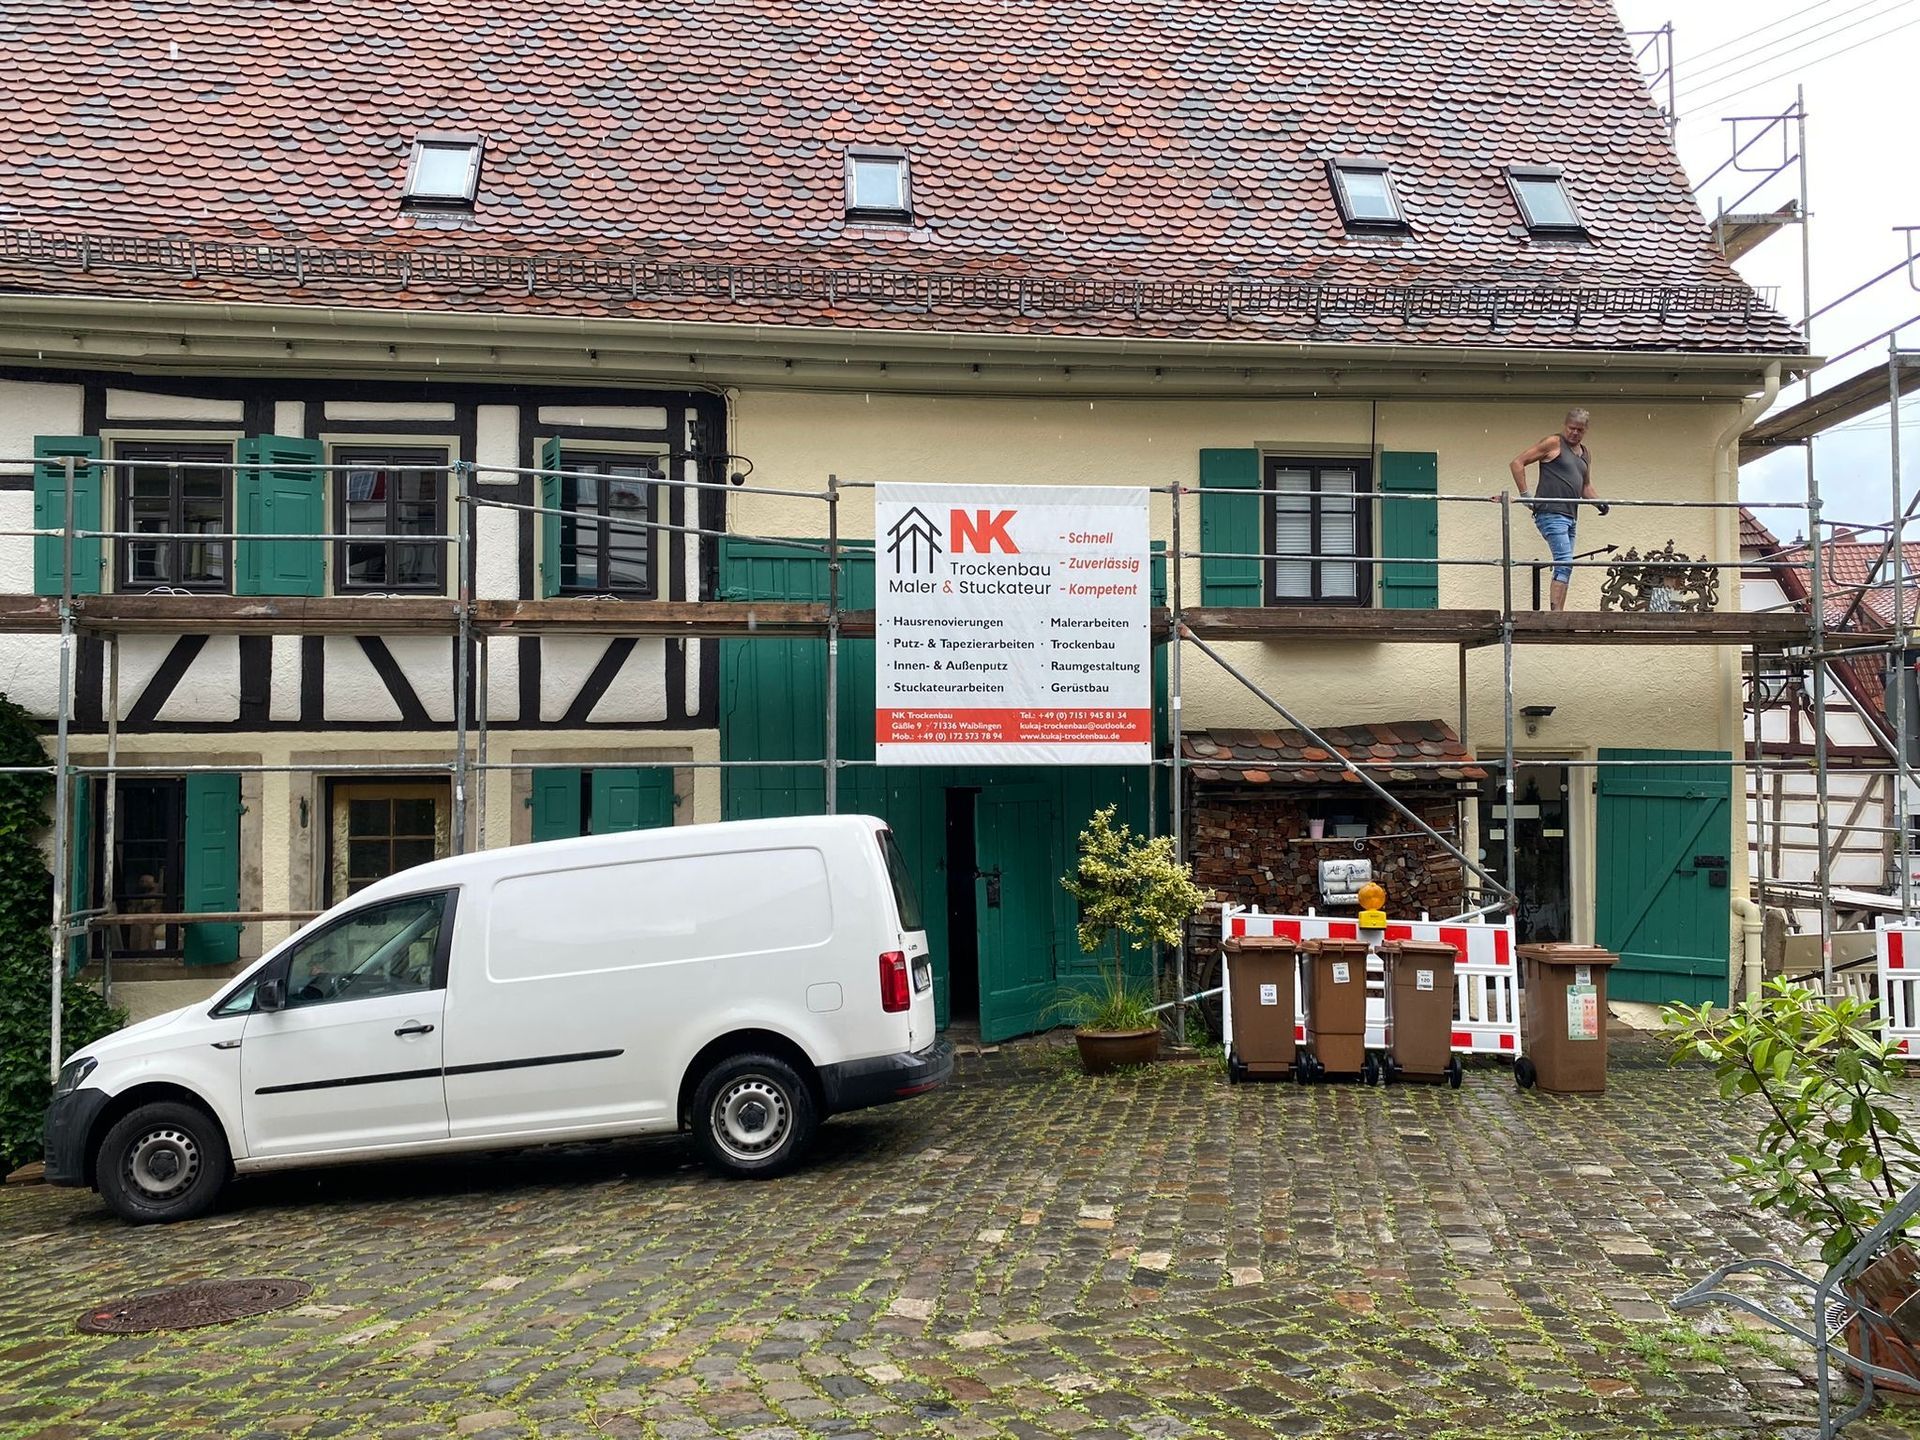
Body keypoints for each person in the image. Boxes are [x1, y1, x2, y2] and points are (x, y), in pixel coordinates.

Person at [1494, 408, 1606, 612]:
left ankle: (1558, 612)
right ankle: (1556, 614)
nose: (1574, 433)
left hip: (1571, 516)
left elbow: (1585, 486)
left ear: (1586, 430)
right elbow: (1517, 463)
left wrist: (1600, 503)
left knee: (1566, 565)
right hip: (1550, 513)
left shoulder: (1585, 453)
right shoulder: (1554, 443)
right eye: (1571, 428)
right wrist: (1526, 495)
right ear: (1565, 425)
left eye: (1579, 430)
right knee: (1564, 562)